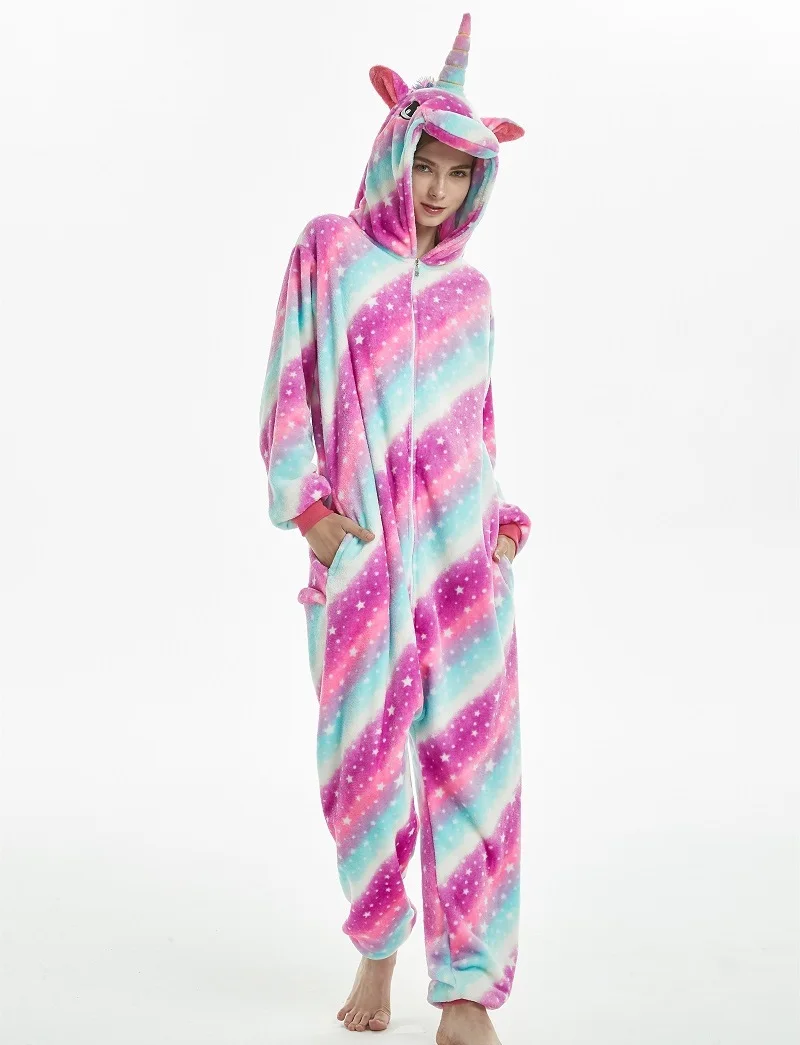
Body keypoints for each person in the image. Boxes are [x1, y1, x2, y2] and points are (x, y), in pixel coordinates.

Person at [258, 13, 530, 1043]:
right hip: (365, 554)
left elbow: (478, 423)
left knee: (474, 768)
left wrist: (499, 527)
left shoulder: (472, 293)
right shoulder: (328, 254)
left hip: (463, 560)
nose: (437, 189)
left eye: (460, 174)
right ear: (394, 148)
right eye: (425, 163)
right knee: (362, 764)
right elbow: (290, 386)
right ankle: (376, 945)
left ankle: (463, 991)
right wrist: (316, 519)